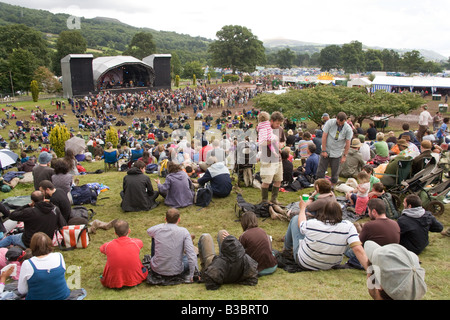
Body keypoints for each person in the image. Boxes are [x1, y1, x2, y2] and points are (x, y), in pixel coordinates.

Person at [283, 199, 369, 271]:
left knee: (295, 219)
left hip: (306, 262)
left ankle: (287, 250)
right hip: (331, 264)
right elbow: (357, 249)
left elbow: (300, 223)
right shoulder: (348, 226)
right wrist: (370, 272)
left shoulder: (313, 224)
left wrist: (302, 208)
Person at [342, 198, 400, 269]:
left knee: (347, 247)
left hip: (373, 256)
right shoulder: (395, 224)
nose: (368, 214)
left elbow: (358, 244)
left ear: (374, 211)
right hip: (389, 256)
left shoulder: (370, 225)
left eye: (369, 211)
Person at [0, 190, 66, 249]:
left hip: (29, 242)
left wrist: (27, 206)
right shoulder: (55, 209)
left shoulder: (29, 212)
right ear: (44, 198)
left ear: (32, 201)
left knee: (9, 238)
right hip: (46, 242)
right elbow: (62, 225)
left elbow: (12, 215)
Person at [146, 208, 198, 282]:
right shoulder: (183, 231)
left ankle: (186, 242)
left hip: (157, 269)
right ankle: (188, 241)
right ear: (179, 220)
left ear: (165, 219)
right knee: (188, 257)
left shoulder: (158, 229)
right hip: (177, 270)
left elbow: (149, 231)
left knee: (154, 236)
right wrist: (193, 275)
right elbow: (191, 255)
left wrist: (164, 226)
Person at [17, 232, 71, 300]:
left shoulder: (27, 264)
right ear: (49, 243)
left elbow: (22, 290)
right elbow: (60, 276)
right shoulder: (59, 256)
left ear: (32, 246)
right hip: (63, 296)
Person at [99, 220, 148, 289]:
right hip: (136, 279)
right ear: (129, 231)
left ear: (115, 233)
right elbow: (141, 243)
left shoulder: (107, 245)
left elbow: (101, 249)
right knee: (144, 269)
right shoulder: (136, 243)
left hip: (112, 282)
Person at [316, 112, 353, 186]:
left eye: (342, 123)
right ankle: (319, 187)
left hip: (337, 152)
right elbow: (324, 136)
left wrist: (344, 156)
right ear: (337, 119)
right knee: (320, 171)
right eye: (339, 122)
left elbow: (348, 143)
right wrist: (323, 150)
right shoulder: (330, 123)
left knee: (335, 172)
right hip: (327, 148)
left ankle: (332, 187)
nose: (340, 124)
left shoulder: (348, 129)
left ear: (345, 120)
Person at [259, 111, 286, 204]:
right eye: (277, 123)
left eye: (280, 123)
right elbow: (262, 143)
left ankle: (274, 199)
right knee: (267, 181)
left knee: (278, 180)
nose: (278, 125)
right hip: (268, 159)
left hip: (278, 159)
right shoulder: (265, 129)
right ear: (271, 121)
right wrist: (273, 141)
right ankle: (265, 200)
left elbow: (283, 142)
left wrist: (281, 145)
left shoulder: (281, 129)